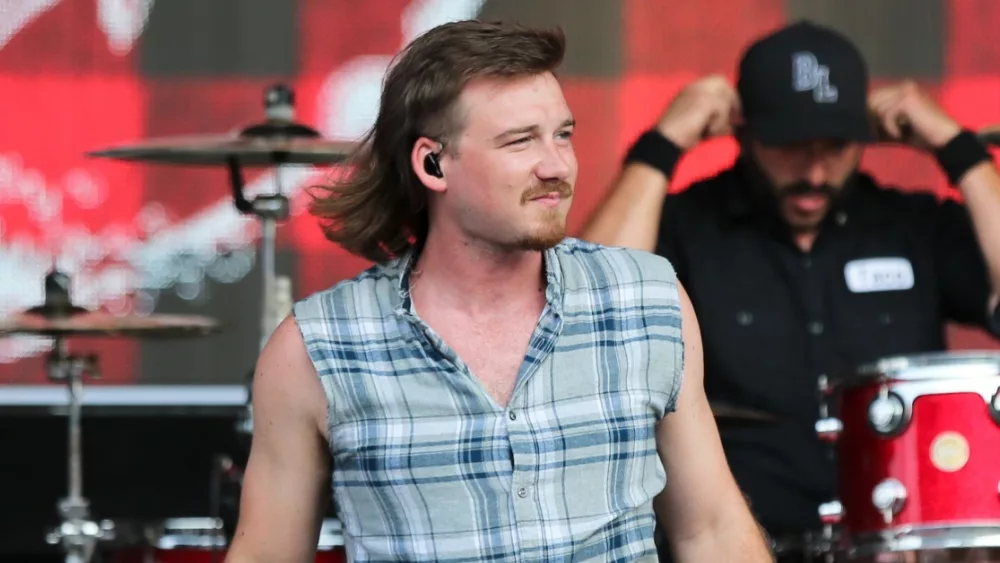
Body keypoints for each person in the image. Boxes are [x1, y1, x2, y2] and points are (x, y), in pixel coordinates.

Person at [224, 19, 773, 563]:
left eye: (563, 134)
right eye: (520, 141)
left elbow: (712, 531)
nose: (557, 165)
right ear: (432, 163)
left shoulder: (648, 300)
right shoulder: (315, 348)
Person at [581, 20, 1000, 562]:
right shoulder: (687, 224)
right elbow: (591, 315)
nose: (817, 171)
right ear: (745, 134)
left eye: (837, 146)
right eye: (791, 146)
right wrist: (663, 144)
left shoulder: (912, 224)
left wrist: (960, 150)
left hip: (900, 551)